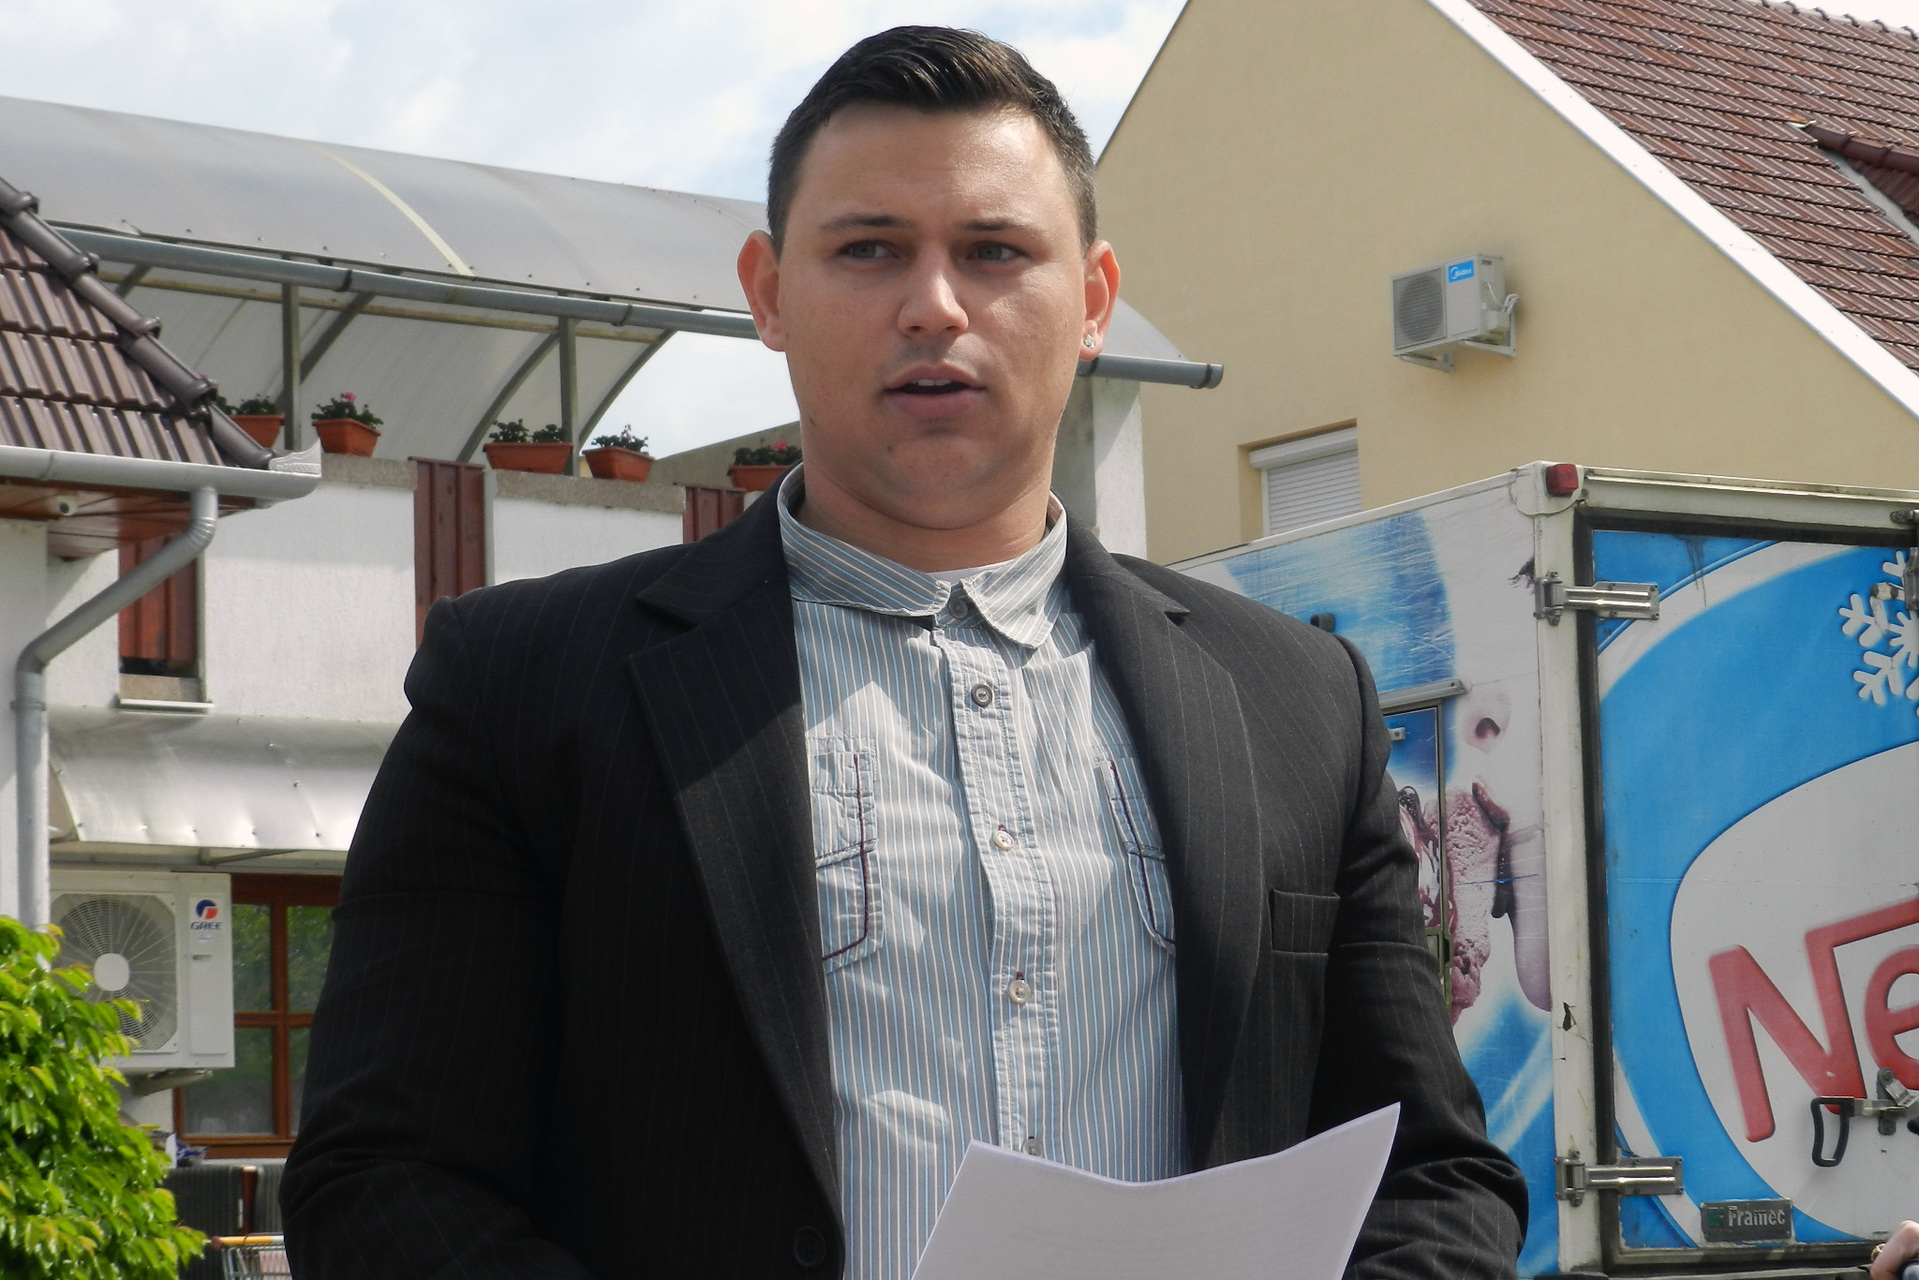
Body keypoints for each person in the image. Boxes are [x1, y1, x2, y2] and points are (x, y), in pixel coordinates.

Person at [282, 26, 1526, 1279]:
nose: (933, 304)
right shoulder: (522, 687)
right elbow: (384, 1182)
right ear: (768, 292)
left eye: (994, 251)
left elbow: (1433, 1177)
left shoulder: (1295, 702)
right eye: (868, 249)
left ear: (1092, 300)